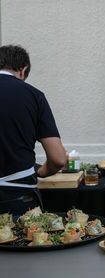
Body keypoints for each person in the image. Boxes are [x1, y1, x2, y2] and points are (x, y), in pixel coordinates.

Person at [0, 45, 66, 215]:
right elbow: (58, 158)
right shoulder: (34, 96)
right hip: (17, 197)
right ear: (23, 70)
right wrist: (43, 171)